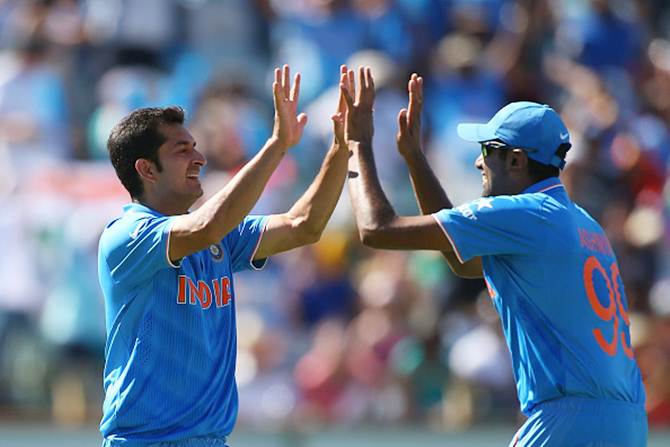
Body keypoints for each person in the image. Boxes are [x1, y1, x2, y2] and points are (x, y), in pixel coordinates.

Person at [341, 68, 647, 446]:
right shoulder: (582, 223)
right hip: (626, 422)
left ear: (517, 161)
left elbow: (376, 229)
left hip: (568, 419)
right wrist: (415, 159)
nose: (478, 162)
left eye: (488, 151)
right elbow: (460, 260)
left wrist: (357, 146)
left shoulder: (526, 213)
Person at [98, 65, 350, 446]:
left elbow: (305, 225)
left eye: (195, 146)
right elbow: (207, 227)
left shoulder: (217, 237)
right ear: (147, 169)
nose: (199, 157)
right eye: (182, 150)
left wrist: (343, 147)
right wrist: (277, 145)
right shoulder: (128, 236)